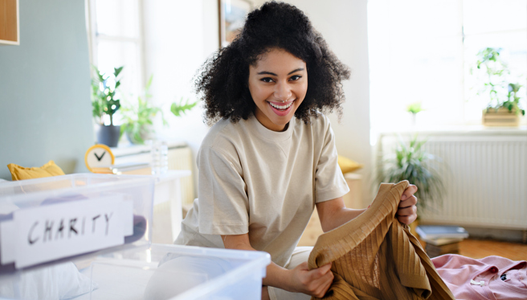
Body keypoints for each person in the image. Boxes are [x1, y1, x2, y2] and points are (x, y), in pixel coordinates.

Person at [174, 2, 418, 299]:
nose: (283, 93)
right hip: (203, 270)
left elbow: (334, 216)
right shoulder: (222, 144)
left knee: (355, 278)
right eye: (267, 79)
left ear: (309, 74)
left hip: (271, 262)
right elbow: (237, 252)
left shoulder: (316, 128)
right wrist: (290, 281)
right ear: (245, 78)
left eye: (294, 77)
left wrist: (382, 211)